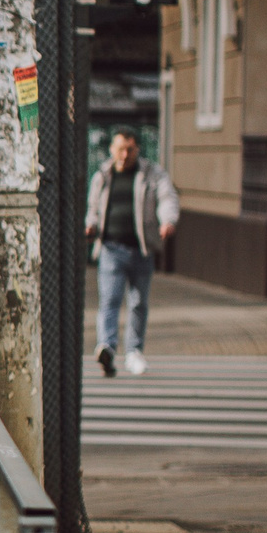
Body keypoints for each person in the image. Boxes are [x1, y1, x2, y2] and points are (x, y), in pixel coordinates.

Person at [85, 131, 179, 378]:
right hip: (111, 249)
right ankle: (106, 347)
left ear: (137, 151)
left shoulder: (152, 174)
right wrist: (91, 224)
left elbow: (167, 198)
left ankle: (134, 352)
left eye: (130, 150)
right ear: (112, 150)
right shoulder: (102, 176)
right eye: (120, 149)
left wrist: (167, 220)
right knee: (110, 300)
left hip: (142, 250)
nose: (125, 155)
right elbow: (93, 207)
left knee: (138, 302)